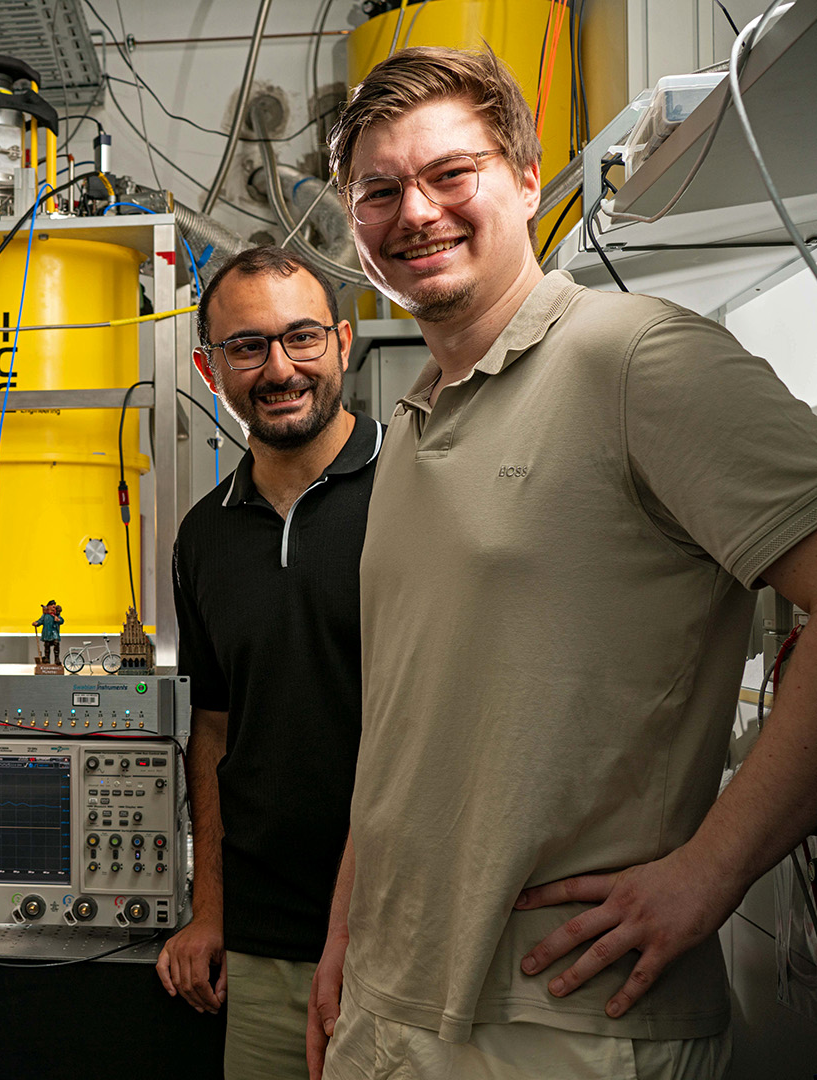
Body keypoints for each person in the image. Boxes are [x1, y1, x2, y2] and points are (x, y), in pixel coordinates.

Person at [307, 46, 817, 1080]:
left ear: (529, 180)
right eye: (380, 191)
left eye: (453, 175)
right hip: (390, 1006)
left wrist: (709, 874)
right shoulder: (407, 425)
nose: (416, 213)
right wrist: (347, 938)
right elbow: (409, 720)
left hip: (565, 1020)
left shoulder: (636, 358)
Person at [160, 245, 382, 1079]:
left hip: (408, 942)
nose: (279, 367)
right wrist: (207, 910)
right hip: (263, 949)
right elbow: (213, 730)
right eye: (247, 346)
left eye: (302, 338)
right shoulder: (205, 534)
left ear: (345, 341)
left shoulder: (418, 488)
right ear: (208, 367)